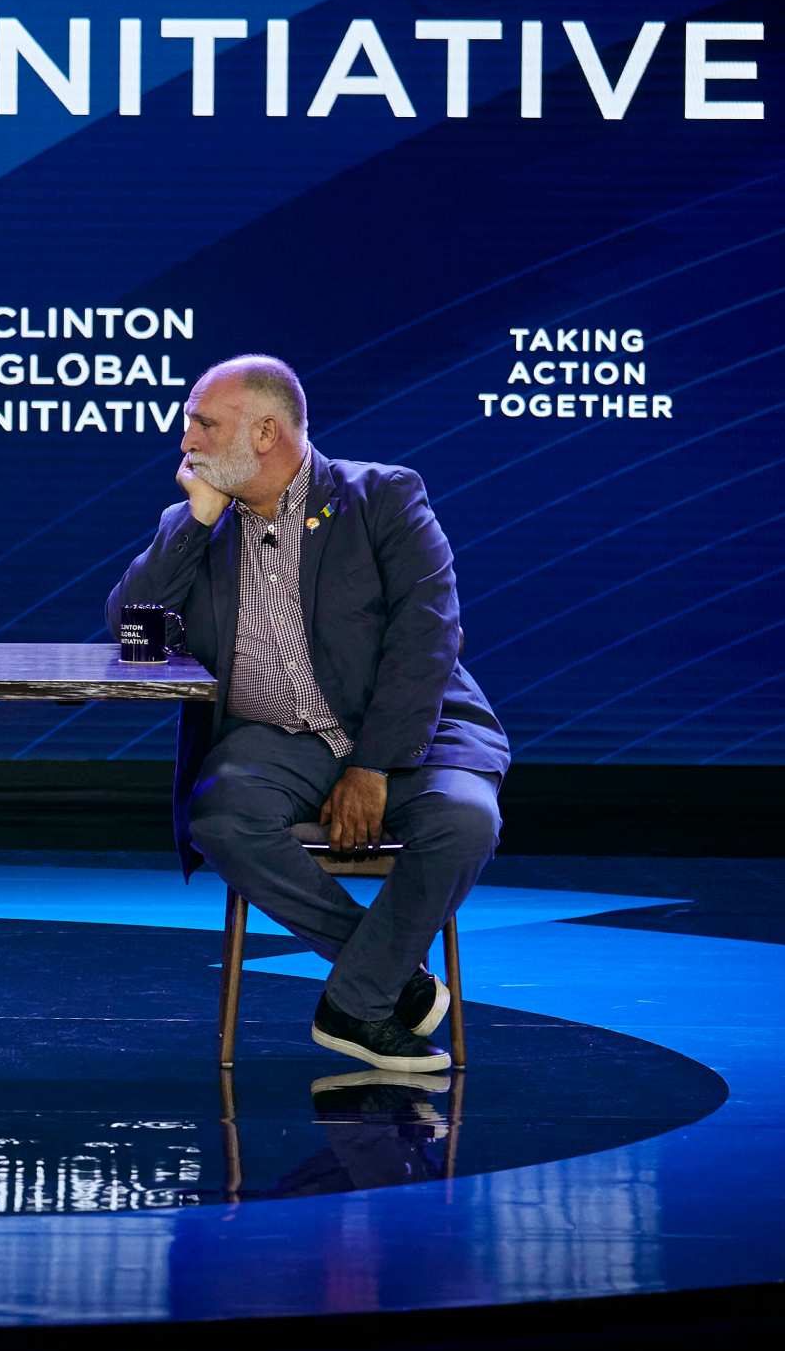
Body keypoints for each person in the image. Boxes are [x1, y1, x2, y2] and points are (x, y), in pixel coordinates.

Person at [106, 355, 509, 1073]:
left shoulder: (381, 497)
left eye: (204, 422)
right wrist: (194, 523)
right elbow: (131, 629)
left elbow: (428, 639)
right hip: (277, 741)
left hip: (411, 730)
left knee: (466, 821)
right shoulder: (194, 523)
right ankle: (386, 982)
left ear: (264, 432)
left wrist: (373, 764)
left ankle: (353, 1004)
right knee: (221, 817)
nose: (185, 439)